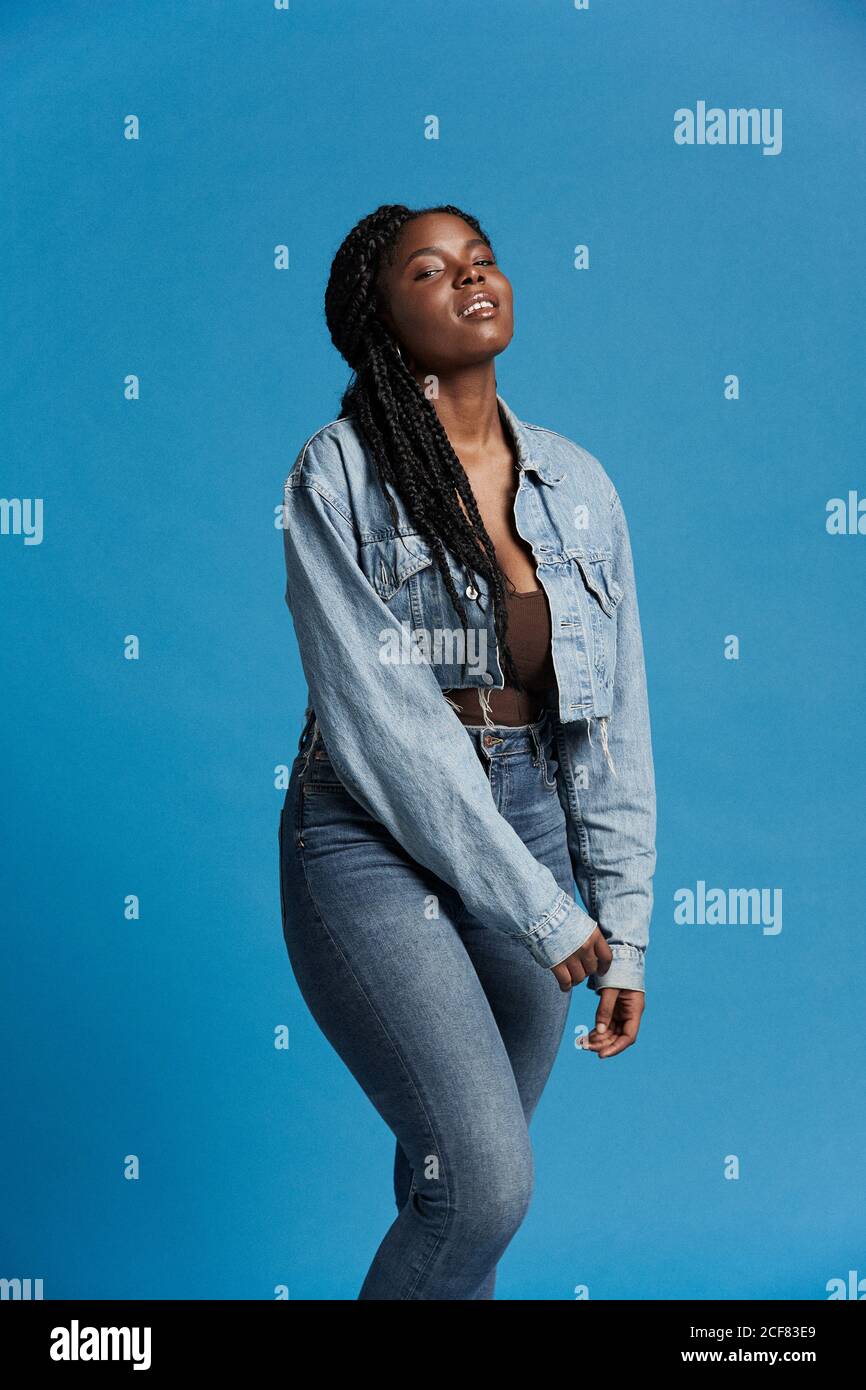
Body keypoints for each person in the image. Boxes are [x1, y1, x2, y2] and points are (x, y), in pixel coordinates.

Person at [277, 202, 656, 1300]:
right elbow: (380, 725)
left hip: (532, 821)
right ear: (378, 320)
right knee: (482, 1188)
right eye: (430, 273)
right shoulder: (336, 474)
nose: (470, 281)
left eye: (481, 261)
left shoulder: (578, 486)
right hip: (369, 836)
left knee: (447, 1196)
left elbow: (611, 722)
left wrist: (619, 930)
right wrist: (539, 910)